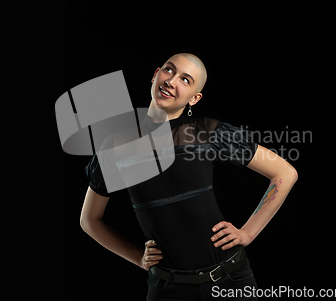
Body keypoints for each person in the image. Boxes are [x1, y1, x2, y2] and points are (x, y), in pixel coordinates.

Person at [80, 53, 298, 300]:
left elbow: (285, 173)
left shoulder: (209, 132)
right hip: (167, 290)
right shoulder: (115, 146)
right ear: (155, 75)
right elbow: (90, 220)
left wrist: (247, 233)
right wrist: (138, 259)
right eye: (169, 71)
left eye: (186, 80)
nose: (172, 81)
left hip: (230, 281)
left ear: (195, 98)